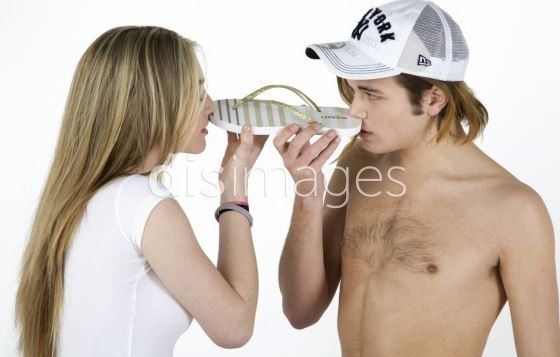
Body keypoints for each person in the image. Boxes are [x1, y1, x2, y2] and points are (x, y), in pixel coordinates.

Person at [273, 1, 560, 356]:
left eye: (372, 94)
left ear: (433, 99)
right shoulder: (357, 163)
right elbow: (299, 312)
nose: (353, 111)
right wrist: (307, 194)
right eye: (353, 90)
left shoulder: (514, 210)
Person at [15, 26, 267, 357]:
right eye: (196, 92)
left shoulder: (90, 200)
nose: (211, 106)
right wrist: (235, 185)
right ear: (154, 101)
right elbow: (234, 326)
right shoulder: (141, 202)